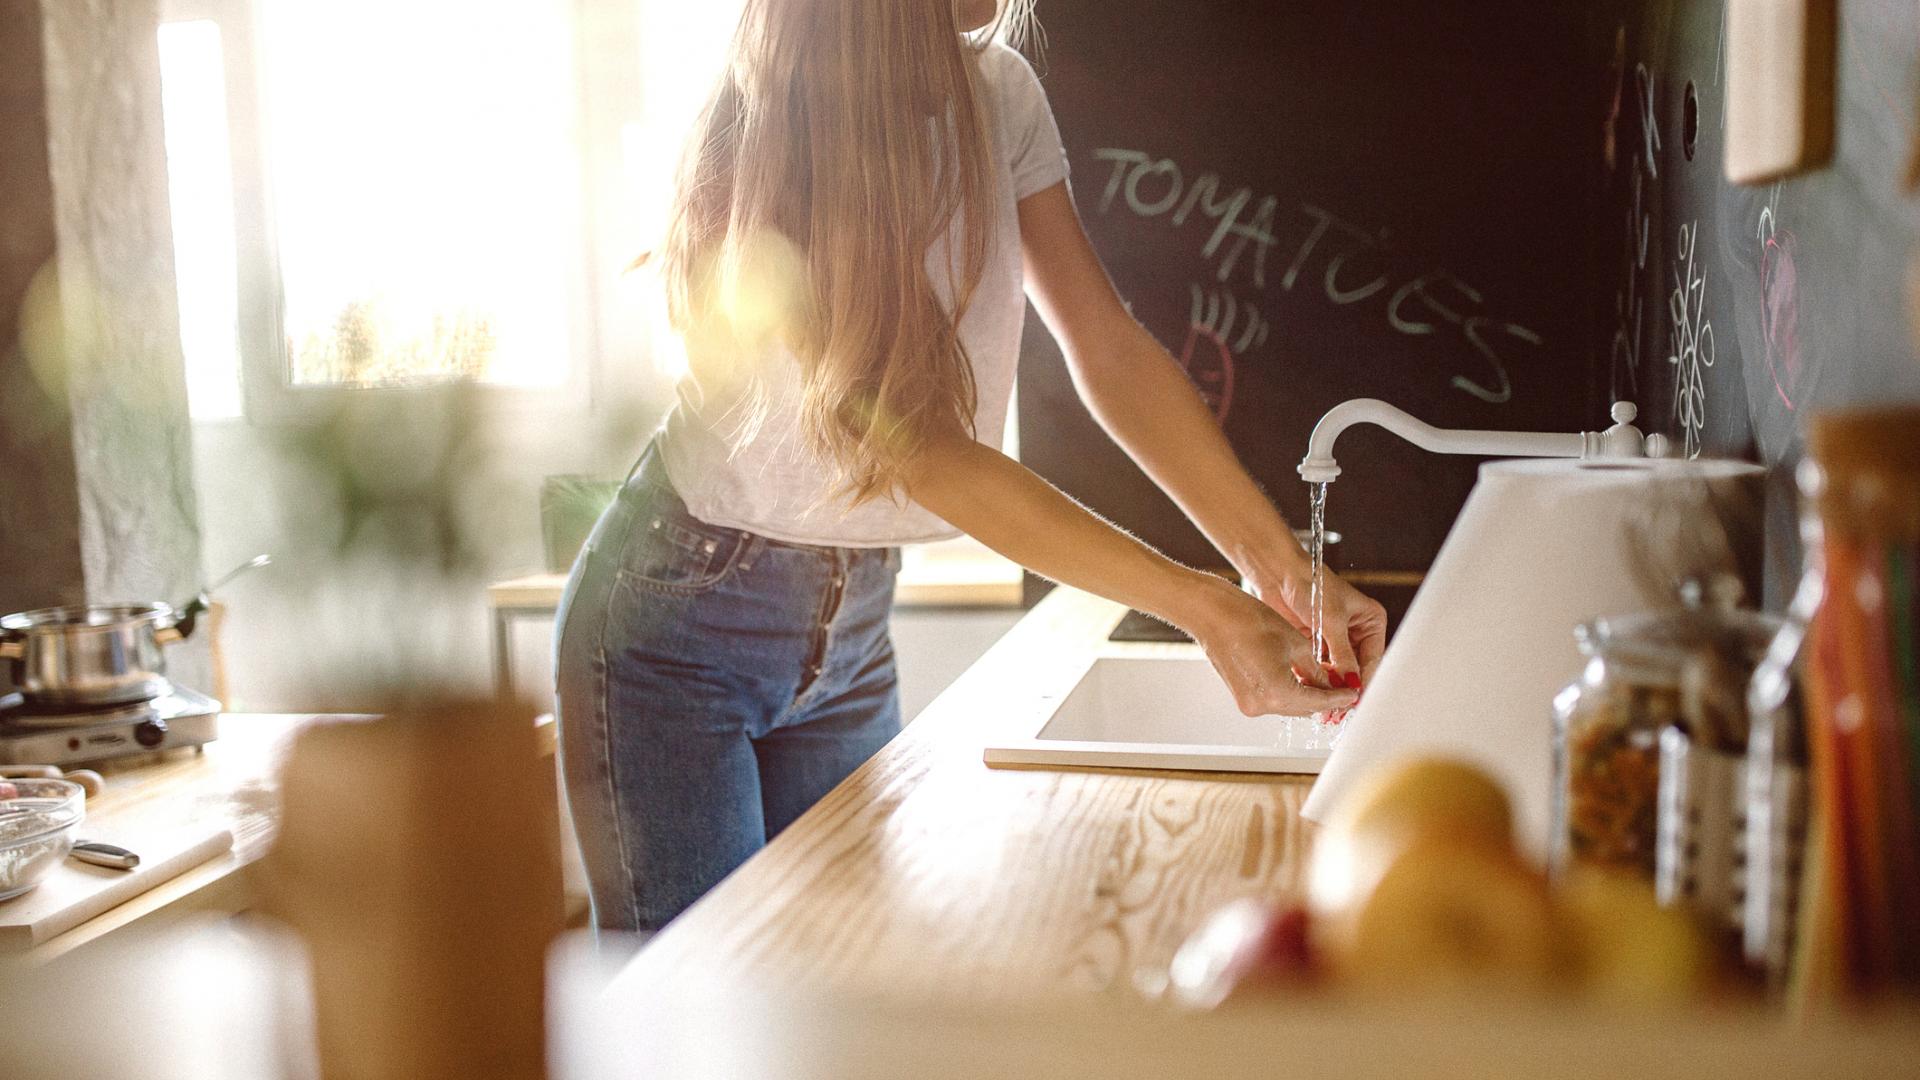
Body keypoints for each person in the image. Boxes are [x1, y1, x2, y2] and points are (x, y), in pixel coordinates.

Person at [555, 0, 1388, 934]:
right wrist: (1205, 608)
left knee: (840, 992)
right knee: (698, 1023)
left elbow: (1105, 345)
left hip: (855, 622)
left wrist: (1282, 574)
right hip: (682, 626)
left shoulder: (1000, 90)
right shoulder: (777, 112)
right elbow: (926, 455)